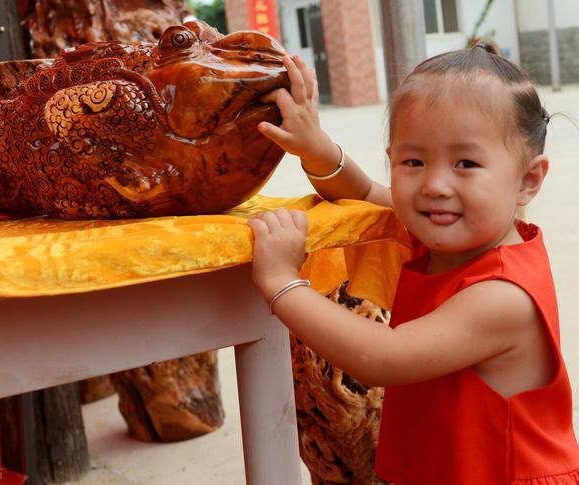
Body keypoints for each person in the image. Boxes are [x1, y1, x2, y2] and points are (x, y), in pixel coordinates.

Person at [248, 45, 579, 483]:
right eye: (414, 161)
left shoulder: (502, 294)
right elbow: (364, 190)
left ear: (528, 179)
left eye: (466, 163)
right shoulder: (449, 234)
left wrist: (281, 281)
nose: (435, 185)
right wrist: (315, 147)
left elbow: (383, 358)